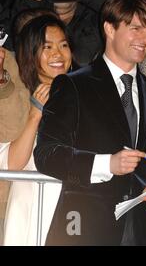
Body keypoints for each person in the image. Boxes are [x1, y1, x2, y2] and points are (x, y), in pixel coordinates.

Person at [34, 0, 146, 245]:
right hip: (84, 228)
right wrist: (105, 164)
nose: (144, 38)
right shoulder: (73, 86)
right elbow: (47, 154)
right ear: (109, 29)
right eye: (135, 28)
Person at [1, 15, 72, 245]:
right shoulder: (22, 96)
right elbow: (12, 164)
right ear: (31, 54)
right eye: (47, 47)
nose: (58, 54)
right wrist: (35, 114)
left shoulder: (85, 93)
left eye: (63, 45)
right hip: (30, 207)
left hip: (73, 211)